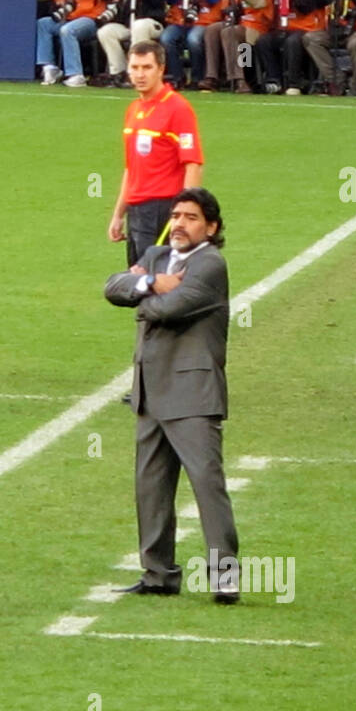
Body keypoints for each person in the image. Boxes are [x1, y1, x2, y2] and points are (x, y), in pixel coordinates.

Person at [105, 184, 240, 603]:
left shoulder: (211, 264)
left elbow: (169, 309)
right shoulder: (157, 258)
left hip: (192, 392)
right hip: (150, 390)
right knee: (151, 487)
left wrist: (142, 292)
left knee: (206, 483)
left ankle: (224, 577)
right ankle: (158, 574)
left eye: (191, 218)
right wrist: (151, 283)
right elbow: (112, 287)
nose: (179, 224)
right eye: (177, 216)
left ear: (211, 227)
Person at [107, 40, 203, 271]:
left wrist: (184, 215)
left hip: (163, 209)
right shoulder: (133, 110)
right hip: (137, 212)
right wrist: (119, 214)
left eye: (147, 67)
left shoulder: (178, 109)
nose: (140, 74)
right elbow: (131, 168)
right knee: (140, 283)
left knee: (160, 284)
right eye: (135, 67)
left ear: (161, 69)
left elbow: (193, 165)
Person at [255, 0, 325, 95]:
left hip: (299, 26)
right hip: (275, 25)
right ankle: (266, 80)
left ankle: (293, 82)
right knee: (256, 41)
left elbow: (307, 6)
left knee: (290, 42)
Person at [200, 0, 269, 93]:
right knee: (212, 29)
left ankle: (239, 80)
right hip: (241, 22)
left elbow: (259, 2)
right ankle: (212, 77)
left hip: (258, 24)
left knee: (230, 33)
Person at [36, 0, 106, 87]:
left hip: (91, 19)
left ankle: (76, 74)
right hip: (73, 17)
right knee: (44, 23)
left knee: (67, 30)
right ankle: (50, 68)